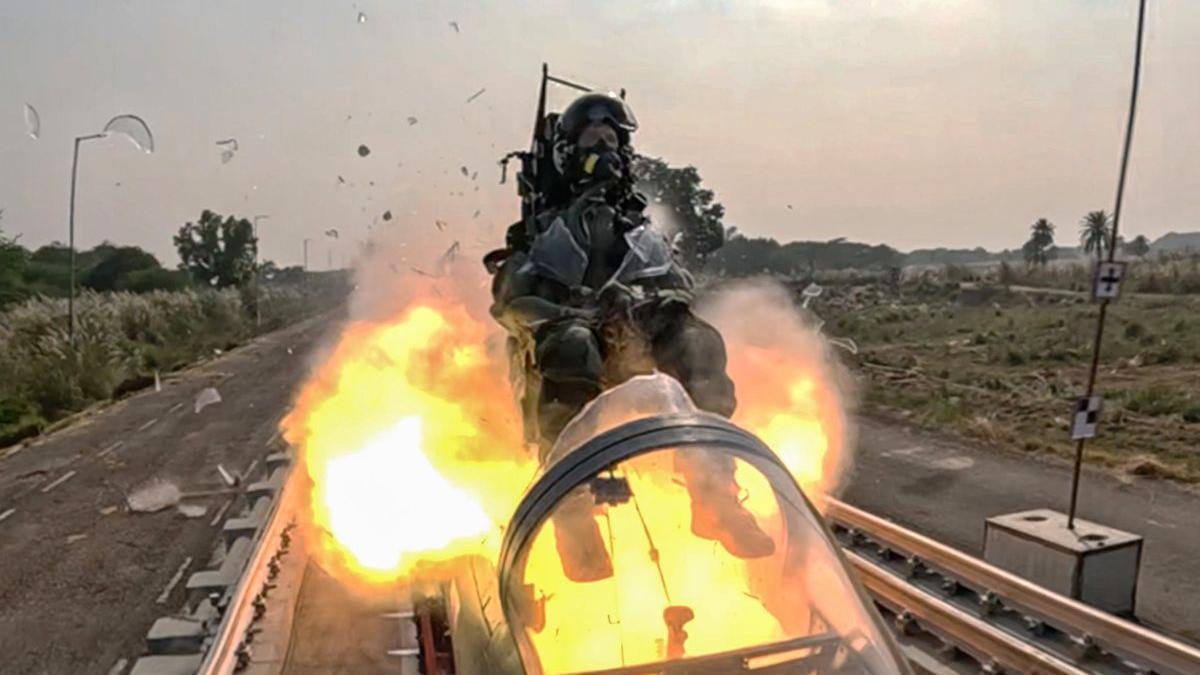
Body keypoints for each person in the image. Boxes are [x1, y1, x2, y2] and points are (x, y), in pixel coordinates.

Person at [488, 93, 773, 581]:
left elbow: (672, 282)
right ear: (568, 152)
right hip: (570, 330)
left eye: (611, 140)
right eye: (592, 140)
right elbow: (512, 294)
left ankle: (714, 495)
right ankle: (572, 516)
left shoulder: (636, 226)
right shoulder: (543, 228)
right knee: (571, 345)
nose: (604, 151)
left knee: (699, 344)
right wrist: (560, 307)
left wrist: (650, 305)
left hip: (635, 328)